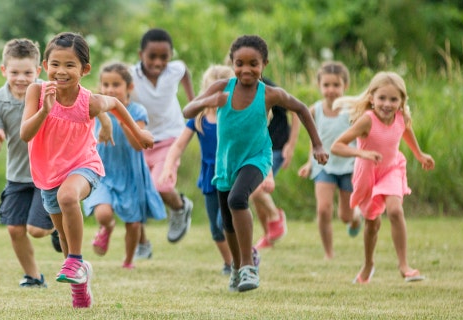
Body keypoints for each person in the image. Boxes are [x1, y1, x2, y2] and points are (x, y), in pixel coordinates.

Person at [183, 35, 328, 292]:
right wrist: (208, 102)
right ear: (232, 63)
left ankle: (249, 266)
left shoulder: (270, 94)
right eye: (240, 63)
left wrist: (317, 144)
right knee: (226, 221)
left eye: (254, 63)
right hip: (226, 162)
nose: (246, 69)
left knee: (237, 199)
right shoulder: (221, 87)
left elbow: (302, 109)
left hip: (258, 157)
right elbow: (188, 111)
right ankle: (237, 269)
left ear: (265, 64)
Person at [20, 32, 154, 308]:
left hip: (84, 166)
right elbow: (25, 134)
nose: (61, 71)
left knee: (67, 198)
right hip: (48, 173)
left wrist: (139, 135)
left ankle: (77, 260)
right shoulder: (37, 92)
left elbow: (115, 104)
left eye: (70, 65)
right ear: (45, 65)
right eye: (55, 64)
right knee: (65, 240)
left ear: (85, 70)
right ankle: (80, 282)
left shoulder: (89, 101)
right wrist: (44, 111)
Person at [330, 71, 435, 284]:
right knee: (372, 225)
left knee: (396, 211)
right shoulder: (366, 121)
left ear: (401, 101)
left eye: (393, 99)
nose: (387, 104)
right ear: (372, 98)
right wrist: (362, 153)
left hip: (392, 169)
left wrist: (420, 154)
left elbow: (405, 133)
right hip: (368, 175)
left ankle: (404, 266)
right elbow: (336, 146)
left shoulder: (402, 117)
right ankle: (368, 264)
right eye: (382, 98)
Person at [0, 38, 60, 289]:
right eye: (14, 72)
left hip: (47, 173)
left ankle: (58, 227)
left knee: (36, 230)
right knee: (15, 229)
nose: (21, 78)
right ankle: (34, 277)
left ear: (38, 71)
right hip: (17, 175)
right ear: (4, 70)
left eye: (27, 72)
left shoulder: (49, 93)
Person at [82, 62, 166, 269]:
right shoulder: (97, 108)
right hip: (102, 171)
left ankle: (128, 261)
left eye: (116, 85)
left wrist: (122, 120)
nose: (110, 90)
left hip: (131, 173)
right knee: (103, 213)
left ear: (129, 87)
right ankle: (107, 227)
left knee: (134, 222)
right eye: (106, 85)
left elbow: (139, 146)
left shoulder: (136, 111)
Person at [159, 65, 234, 275]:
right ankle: (230, 263)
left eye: (224, 89)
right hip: (211, 176)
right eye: (213, 89)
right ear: (205, 91)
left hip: (232, 174)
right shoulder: (199, 117)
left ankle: (244, 256)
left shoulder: (234, 115)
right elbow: (178, 145)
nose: (219, 95)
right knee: (216, 228)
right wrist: (168, 166)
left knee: (226, 220)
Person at [130, 28, 196, 254]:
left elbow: (184, 70)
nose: (158, 62)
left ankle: (179, 207)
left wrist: (192, 101)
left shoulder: (174, 69)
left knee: (161, 185)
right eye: (152, 57)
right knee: (136, 192)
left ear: (170, 55)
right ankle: (141, 244)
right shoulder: (130, 75)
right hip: (141, 139)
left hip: (170, 136)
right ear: (141, 55)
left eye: (164, 57)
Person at [297, 61, 362, 260]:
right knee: (323, 209)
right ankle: (328, 253)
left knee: (345, 215)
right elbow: (315, 140)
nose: (331, 90)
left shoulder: (351, 111)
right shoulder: (314, 111)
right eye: (326, 85)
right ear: (319, 86)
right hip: (323, 166)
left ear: (345, 86)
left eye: (336, 85)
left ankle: (355, 218)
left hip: (348, 166)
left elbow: (362, 136)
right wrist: (309, 163)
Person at [250, 77, 300, 250]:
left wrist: (291, 145)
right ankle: (268, 236)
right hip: (253, 147)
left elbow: (295, 110)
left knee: (255, 189)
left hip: (276, 146)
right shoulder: (235, 88)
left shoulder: (268, 87)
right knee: (256, 195)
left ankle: (274, 215)